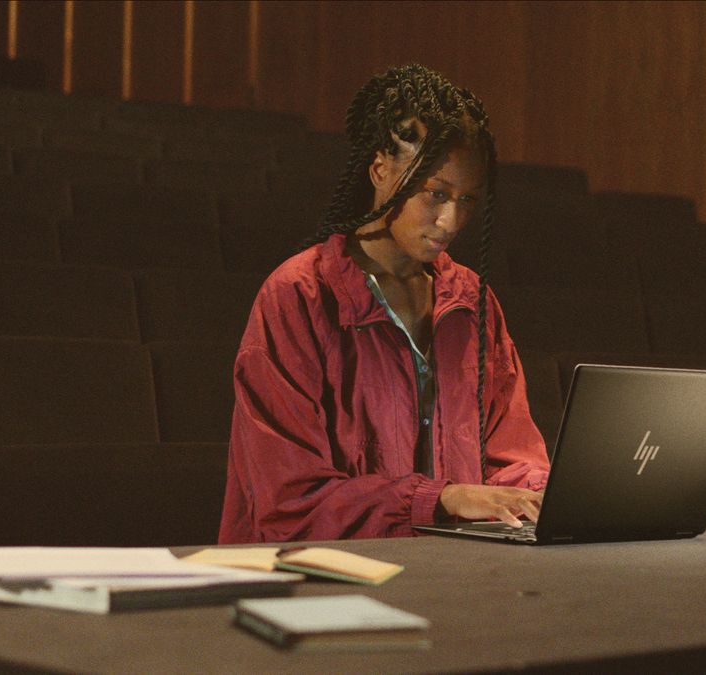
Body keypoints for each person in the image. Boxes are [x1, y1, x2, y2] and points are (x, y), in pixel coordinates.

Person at [218, 64, 549, 543]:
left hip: (453, 576)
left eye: (468, 200)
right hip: (317, 581)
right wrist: (444, 498)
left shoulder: (472, 300)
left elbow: (514, 455)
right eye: (436, 194)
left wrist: (536, 495)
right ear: (380, 170)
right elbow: (287, 502)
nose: (452, 220)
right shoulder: (298, 295)